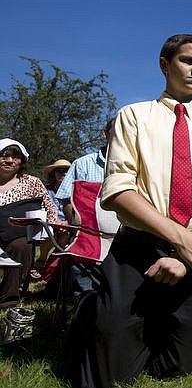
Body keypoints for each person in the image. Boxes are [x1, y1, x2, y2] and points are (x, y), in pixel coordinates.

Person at [74, 34, 192, 388]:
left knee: (180, 366)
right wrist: (181, 239)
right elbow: (118, 190)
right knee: (112, 372)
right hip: (139, 247)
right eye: (188, 61)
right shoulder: (133, 116)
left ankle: (148, 318)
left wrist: (189, 252)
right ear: (165, 64)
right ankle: (98, 308)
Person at [0, 139, 60, 308]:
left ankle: (7, 299)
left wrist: (51, 227)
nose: (10, 160)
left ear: (22, 162)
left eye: (15, 157)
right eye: (4, 156)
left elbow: (50, 208)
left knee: (23, 246)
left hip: (18, 235)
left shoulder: (32, 182)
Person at [55, 121, 113, 224]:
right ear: (105, 133)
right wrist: (78, 227)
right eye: (116, 131)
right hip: (91, 233)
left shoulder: (136, 167)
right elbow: (66, 200)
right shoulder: (82, 164)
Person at [31, 159, 70, 279]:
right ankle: (42, 260)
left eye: (67, 171)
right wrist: (55, 221)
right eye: (60, 171)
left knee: (65, 237)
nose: (63, 174)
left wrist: (67, 222)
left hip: (68, 225)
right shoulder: (46, 190)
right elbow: (42, 208)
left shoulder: (75, 190)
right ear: (53, 174)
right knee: (50, 234)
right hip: (50, 223)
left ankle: (51, 268)